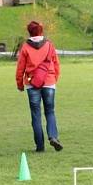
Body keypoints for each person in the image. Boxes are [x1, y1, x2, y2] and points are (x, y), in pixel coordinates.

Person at [15, 21, 63, 153]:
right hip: (49, 82)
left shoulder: (25, 47)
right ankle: (53, 136)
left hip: (32, 84)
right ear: (41, 31)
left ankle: (40, 146)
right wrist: (54, 79)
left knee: (36, 115)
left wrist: (20, 84)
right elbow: (56, 64)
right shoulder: (49, 45)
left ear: (29, 31)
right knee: (50, 111)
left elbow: (20, 68)